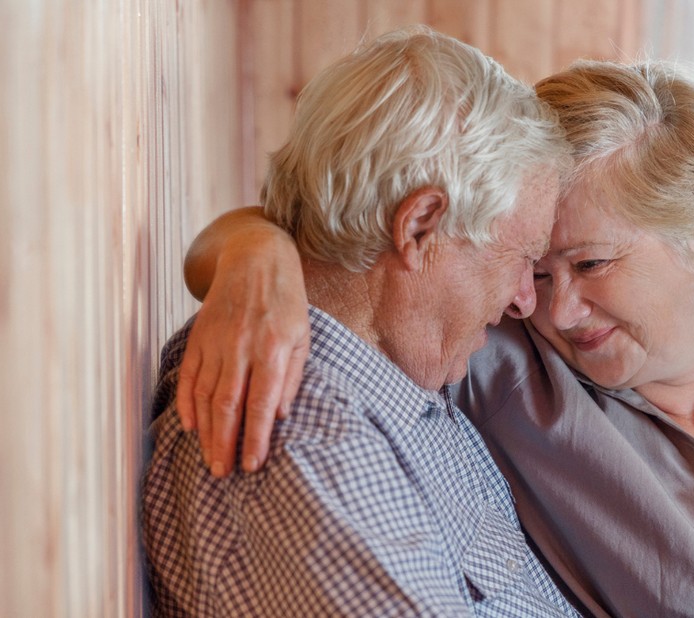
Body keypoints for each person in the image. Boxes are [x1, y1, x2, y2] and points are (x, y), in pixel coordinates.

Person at [178, 59, 694, 616]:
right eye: (536, 266)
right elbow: (345, 253)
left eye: (594, 263)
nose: (558, 308)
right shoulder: (504, 362)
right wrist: (254, 258)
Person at [142, 26, 582, 617]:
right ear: (420, 226)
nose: (527, 302)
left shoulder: (391, 381)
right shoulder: (306, 440)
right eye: (523, 259)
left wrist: (250, 242)